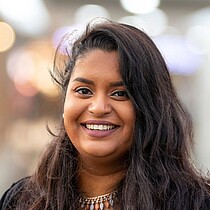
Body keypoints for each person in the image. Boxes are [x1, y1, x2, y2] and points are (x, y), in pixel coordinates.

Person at [0, 19, 210, 210]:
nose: (99, 107)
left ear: (150, 108)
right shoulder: (22, 200)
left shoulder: (194, 203)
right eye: (84, 91)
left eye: (120, 94)